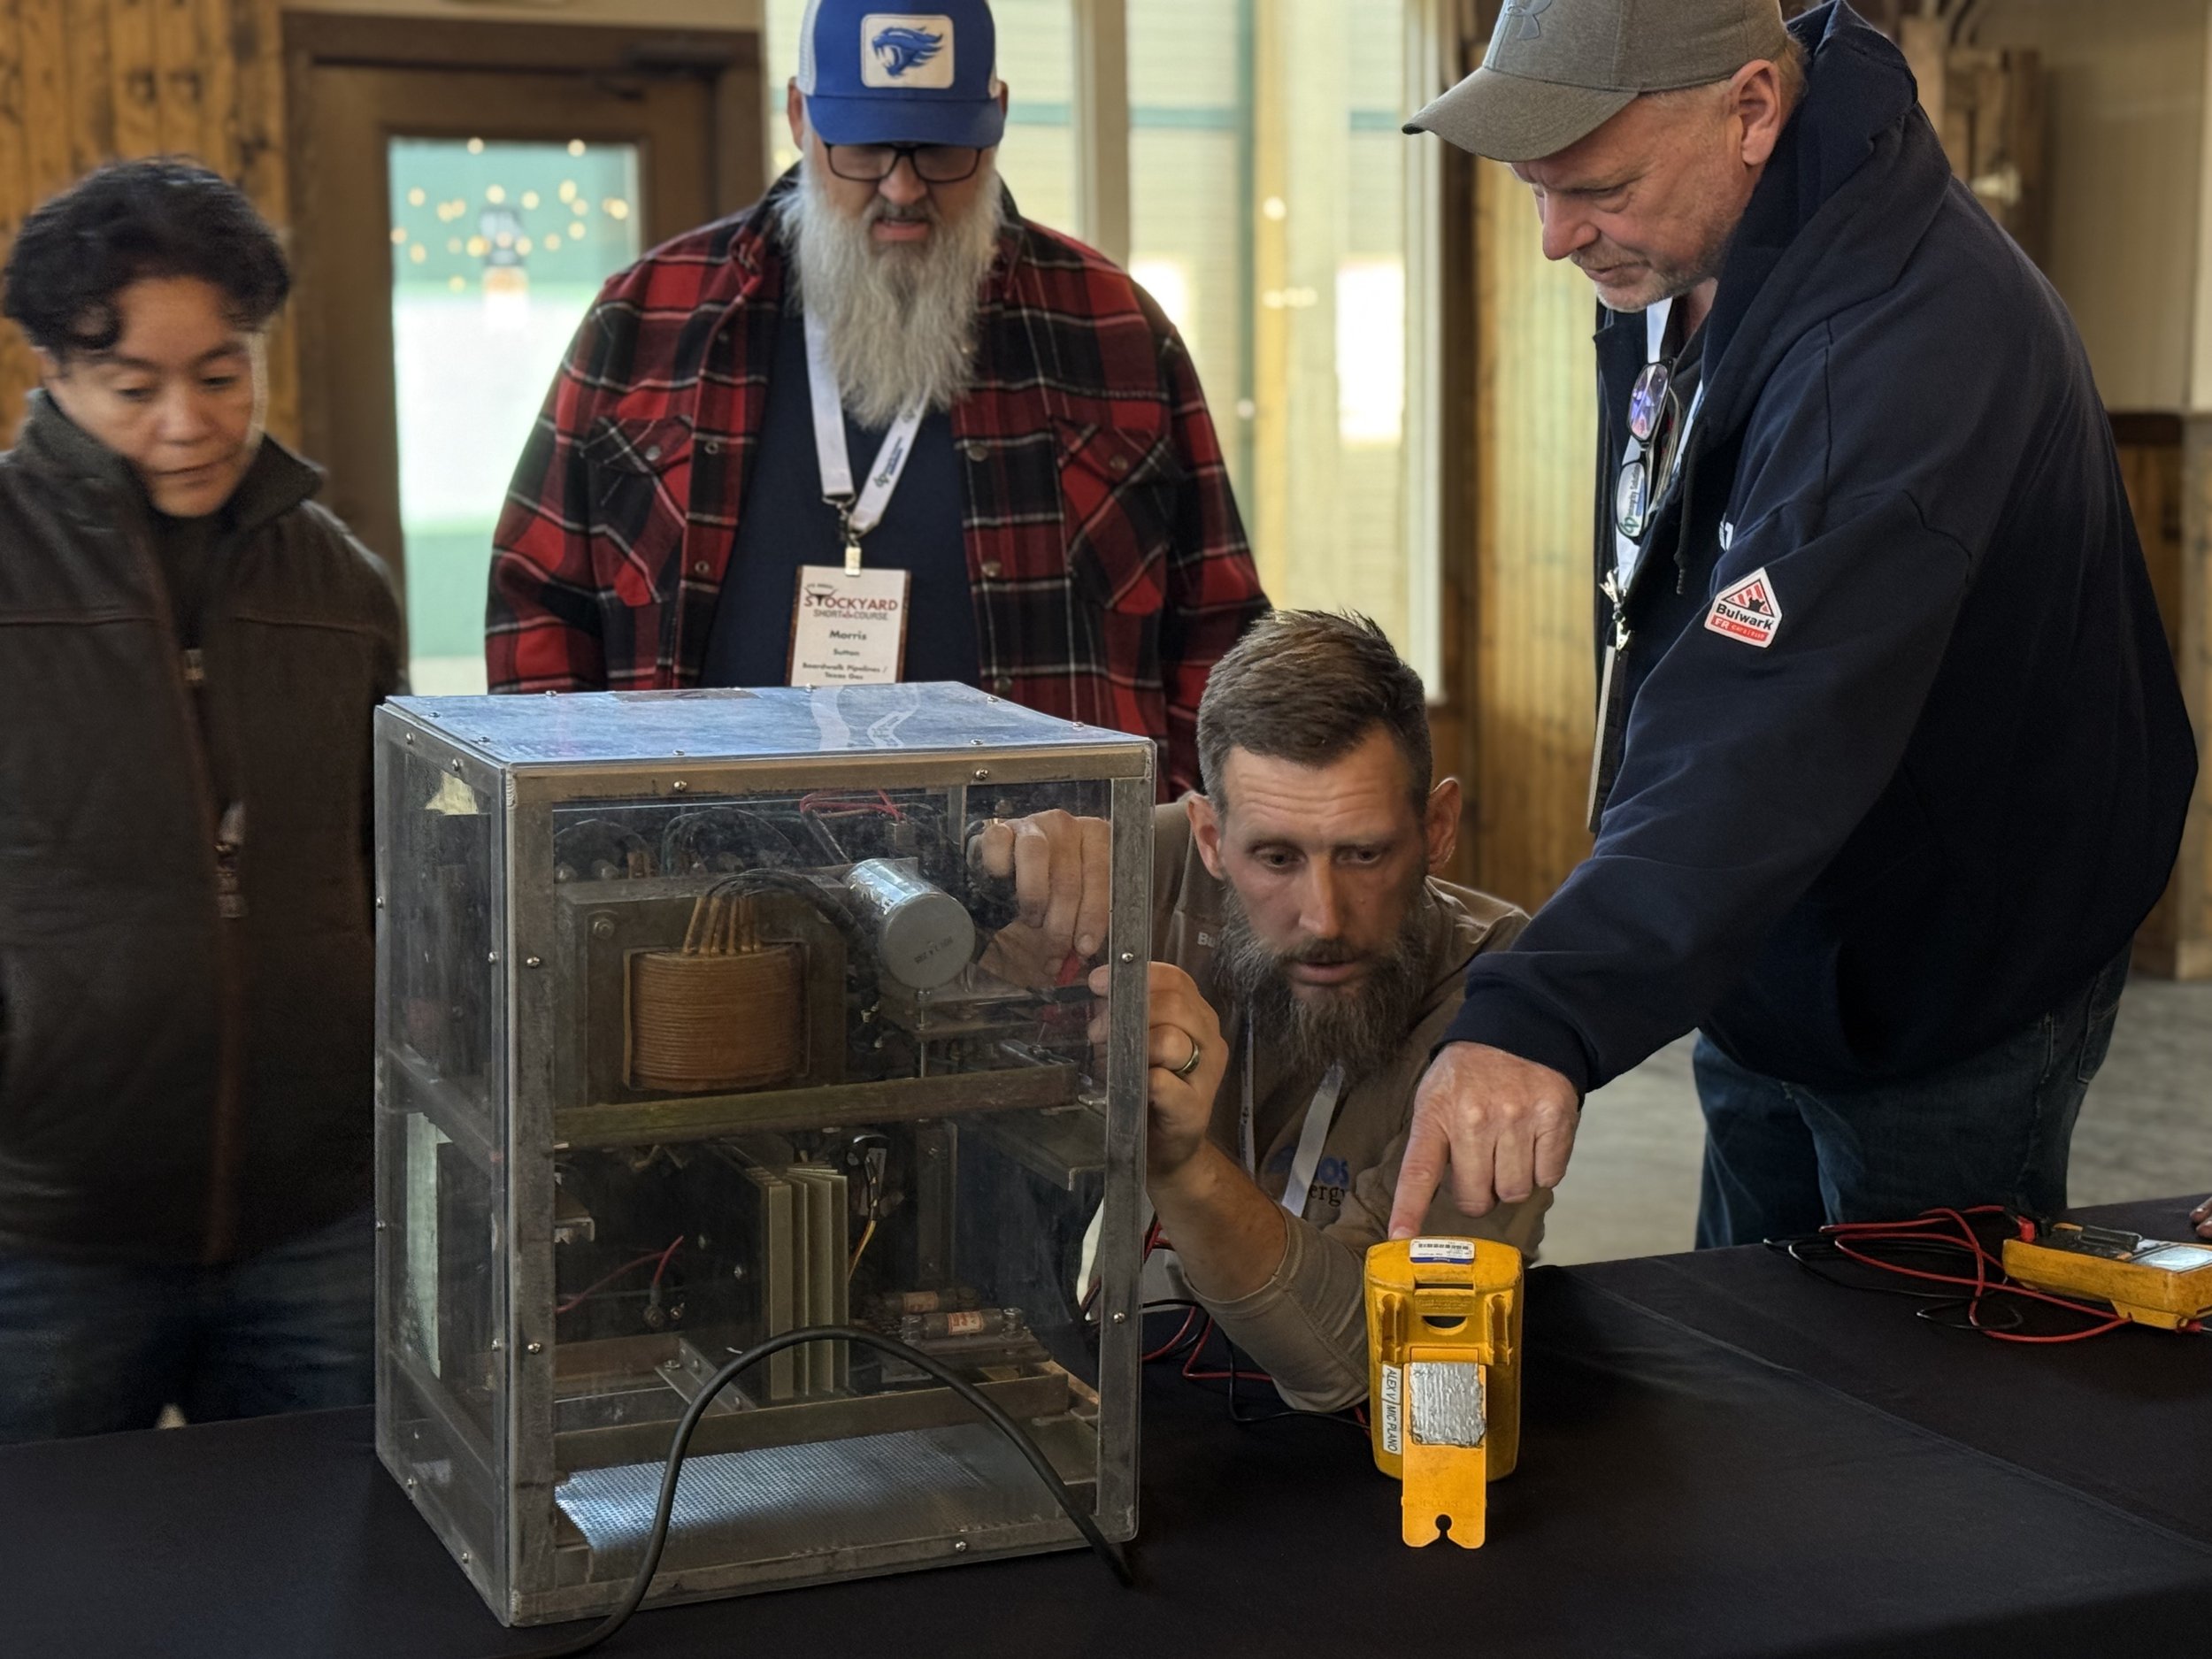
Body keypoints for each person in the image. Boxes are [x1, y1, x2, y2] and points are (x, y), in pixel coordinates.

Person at [1388, 0, 2195, 1247]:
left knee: (1913, 1377)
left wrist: (1536, 1013)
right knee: (1750, 1350)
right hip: (1768, 926)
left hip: (1950, 959)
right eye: (1532, 188)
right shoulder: (1695, 238)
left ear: (1753, 110)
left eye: (1595, 185)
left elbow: (1761, 727)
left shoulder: (1905, 346)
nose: (1556, 238)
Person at [487, 0, 1266, 797]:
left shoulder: (1117, 330)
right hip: (705, 891)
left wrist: (1154, 845)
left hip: (1054, 902)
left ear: (995, 118)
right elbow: (538, 603)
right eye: (863, 147)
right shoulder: (648, 319)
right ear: (799, 115)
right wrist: (583, 826)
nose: (901, 187)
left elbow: (1220, 634)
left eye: (937, 149)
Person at [0, 160, 401, 1441]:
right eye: (135, 388)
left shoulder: (339, 584)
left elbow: (387, 865)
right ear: (57, 373)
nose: (189, 422)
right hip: (45, 1228)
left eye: (222, 374)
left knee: (336, 1578)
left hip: (319, 1218)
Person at [978, 611, 1541, 1411]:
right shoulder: (1145, 869)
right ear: (1210, 834)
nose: (1323, 917)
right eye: (1276, 858)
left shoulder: (1502, 984)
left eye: (1365, 853)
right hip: (1137, 1398)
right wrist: (1005, 928)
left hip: (1373, 1456)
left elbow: (1375, 1360)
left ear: (1437, 828)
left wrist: (1182, 1164)